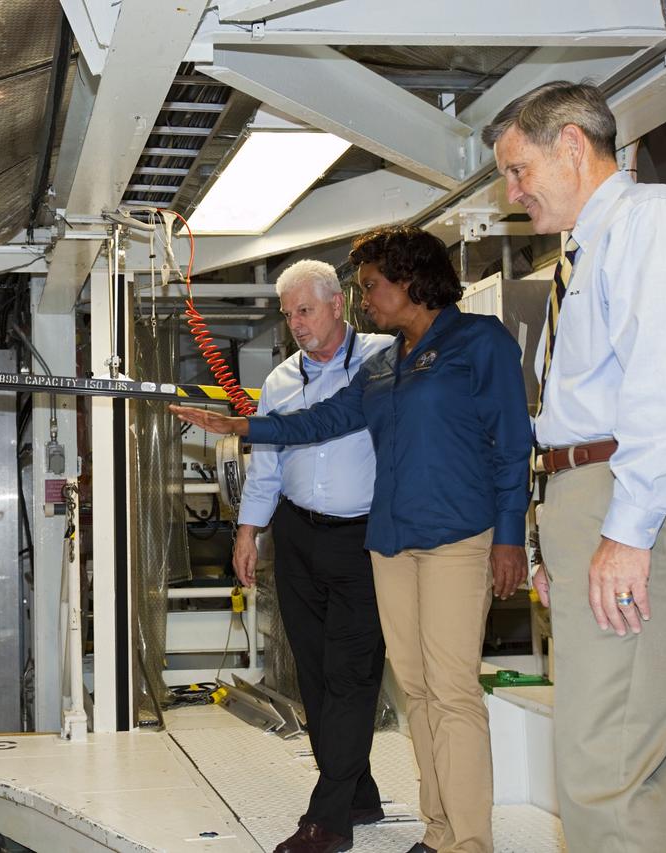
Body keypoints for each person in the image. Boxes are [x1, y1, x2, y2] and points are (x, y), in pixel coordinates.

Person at [173, 226, 531, 853]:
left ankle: (470, 842)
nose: (364, 299)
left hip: (455, 536)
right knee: (415, 690)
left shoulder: (479, 342)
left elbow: (511, 445)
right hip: (390, 543)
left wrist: (510, 536)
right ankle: (439, 829)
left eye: (369, 287)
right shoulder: (384, 365)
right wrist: (241, 422)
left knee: (451, 691)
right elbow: (326, 419)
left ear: (409, 279)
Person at [482, 81, 666, 852]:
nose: (513, 190)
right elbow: (573, 415)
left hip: (634, 499)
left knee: (605, 765)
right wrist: (551, 538)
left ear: (572, 145)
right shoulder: (588, 250)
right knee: (663, 749)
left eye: (518, 168)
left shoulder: (650, 222)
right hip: (594, 496)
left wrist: (626, 531)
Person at [235, 260, 395, 853]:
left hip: (364, 539)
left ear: (337, 305)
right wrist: (249, 529)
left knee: (352, 672)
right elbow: (268, 464)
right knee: (313, 673)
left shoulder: (383, 358)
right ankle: (359, 791)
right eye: (288, 314)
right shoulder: (280, 380)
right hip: (298, 538)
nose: (296, 324)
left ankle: (328, 821)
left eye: (305, 311)